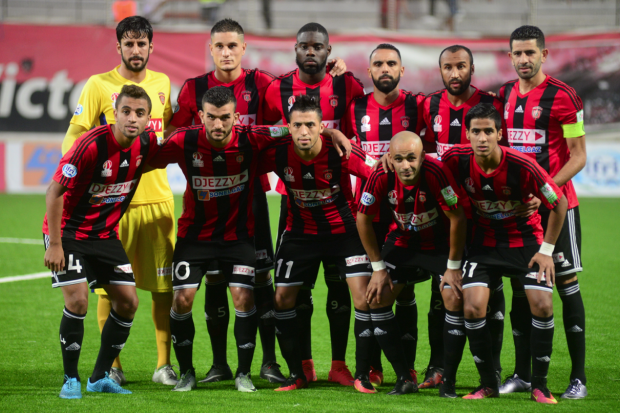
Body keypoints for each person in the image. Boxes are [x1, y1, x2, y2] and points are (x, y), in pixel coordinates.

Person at [148, 87, 351, 393]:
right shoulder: (184, 140)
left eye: (225, 118)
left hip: (239, 237)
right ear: (201, 116)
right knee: (181, 300)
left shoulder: (253, 137)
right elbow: (143, 157)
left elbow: (295, 128)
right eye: (212, 118)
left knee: (244, 298)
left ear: (236, 116)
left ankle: (243, 373)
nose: (218, 125)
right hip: (194, 236)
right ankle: (187, 371)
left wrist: (332, 132)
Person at [165, 17, 285, 385]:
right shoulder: (193, 89)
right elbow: (175, 135)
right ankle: (218, 365)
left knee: (258, 282)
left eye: (233, 46)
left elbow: (289, 123)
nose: (227, 52)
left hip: (249, 200)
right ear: (211, 49)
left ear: (243, 49)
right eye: (220, 46)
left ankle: (267, 362)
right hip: (206, 203)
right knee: (214, 282)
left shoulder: (261, 83)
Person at [62, 16, 177, 387]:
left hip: (157, 200)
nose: (136, 50)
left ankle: (163, 365)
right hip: (109, 208)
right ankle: (112, 365)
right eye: (129, 44)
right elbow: (75, 136)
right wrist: (76, 174)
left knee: (162, 288)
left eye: (142, 44)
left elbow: (167, 135)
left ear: (151, 47)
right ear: (119, 47)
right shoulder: (98, 85)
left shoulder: (162, 85)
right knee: (106, 289)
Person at [261, 22, 366, 386]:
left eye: (317, 46)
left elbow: (358, 133)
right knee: (294, 291)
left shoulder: (347, 84)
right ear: (295, 48)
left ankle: (339, 365)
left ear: (328, 50)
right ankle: (301, 365)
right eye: (304, 45)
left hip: (340, 203)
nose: (310, 51)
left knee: (342, 288)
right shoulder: (277, 88)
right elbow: (264, 133)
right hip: (295, 209)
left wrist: (335, 133)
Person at [442, 103, 568, 403]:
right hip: (484, 245)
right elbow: (429, 170)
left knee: (542, 304)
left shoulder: (522, 165)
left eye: (489, 131)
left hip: (525, 242)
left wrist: (547, 251)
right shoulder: (454, 160)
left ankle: (540, 385)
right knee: (472, 308)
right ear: (467, 135)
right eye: (476, 132)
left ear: (500, 133)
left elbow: (558, 202)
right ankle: (487, 384)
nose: (482, 138)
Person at [44, 85, 161, 399]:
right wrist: (55, 243)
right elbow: (54, 193)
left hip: (105, 235)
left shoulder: (147, 144)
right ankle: (71, 379)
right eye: (126, 111)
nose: (132, 118)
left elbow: (182, 143)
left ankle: (98, 378)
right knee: (78, 301)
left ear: (150, 119)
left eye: (140, 113)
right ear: (115, 112)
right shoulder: (90, 145)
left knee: (128, 302)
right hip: (68, 233)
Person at [258, 95, 378, 393]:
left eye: (310, 125)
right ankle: (297, 374)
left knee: (363, 299)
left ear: (321, 126)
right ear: (288, 126)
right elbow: (244, 148)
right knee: (282, 300)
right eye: (297, 125)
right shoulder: (279, 153)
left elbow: (377, 173)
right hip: (300, 234)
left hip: (344, 233)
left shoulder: (340, 149)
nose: (303, 132)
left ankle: (361, 374)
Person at [498, 25, 588, 399]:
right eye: (517, 53)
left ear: (544, 54)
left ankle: (578, 378)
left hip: (556, 209)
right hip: (519, 211)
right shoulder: (503, 94)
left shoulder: (565, 97)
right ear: (510, 56)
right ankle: (521, 373)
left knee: (566, 287)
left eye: (530, 53)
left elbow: (579, 156)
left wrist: (545, 188)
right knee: (522, 289)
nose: (523, 60)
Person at [420, 44, 506, 386]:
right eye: (448, 67)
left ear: (472, 68)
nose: (455, 73)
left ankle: (494, 370)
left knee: (492, 291)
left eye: (461, 66)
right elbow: (419, 147)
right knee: (440, 291)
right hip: (444, 214)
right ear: (440, 70)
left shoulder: (491, 105)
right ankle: (437, 368)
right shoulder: (429, 105)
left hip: (485, 212)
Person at [358, 131, 468, 396]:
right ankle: (403, 377)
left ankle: (447, 379)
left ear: (422, 157)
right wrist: (377, 268)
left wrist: (453, 267)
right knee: (376, 297)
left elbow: (457, 218)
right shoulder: (381, 174)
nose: (406, 165)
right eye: (399, 159)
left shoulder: (437, 172)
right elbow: (363, 219)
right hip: (403, 242)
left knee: (454, 297)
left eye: (411, 158)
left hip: (439, 244)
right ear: (390, 159)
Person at [343, 43, 426, 387]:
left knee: (403, 293)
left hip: (405, 217)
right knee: (366, 293)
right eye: (378, 64)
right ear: (370, 70)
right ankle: (370, 368)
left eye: (392, 63)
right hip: (366, 212)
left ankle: (407, 366)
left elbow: (426, 150)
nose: (385, 69)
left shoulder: (417, 106)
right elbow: (346, 153)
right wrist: (375, 171)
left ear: (401, 70)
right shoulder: (356, 107)